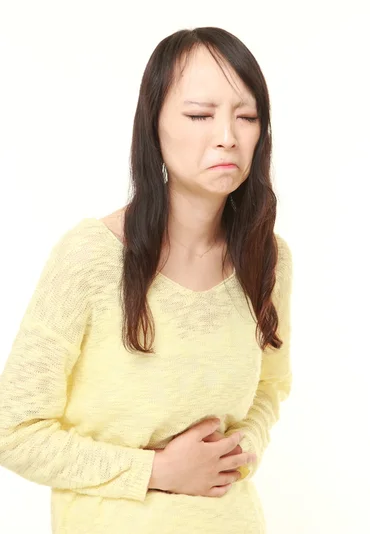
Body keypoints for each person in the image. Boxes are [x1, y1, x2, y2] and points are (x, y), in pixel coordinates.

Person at [0, 26, 293, 533]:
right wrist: (157, 471)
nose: (226, 135)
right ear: (152, 124)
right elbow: (14, 431)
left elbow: (272, 385)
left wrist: (239, 449)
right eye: (200, 114)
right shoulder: (91, 257)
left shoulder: (268, 258)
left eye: (246, 116)